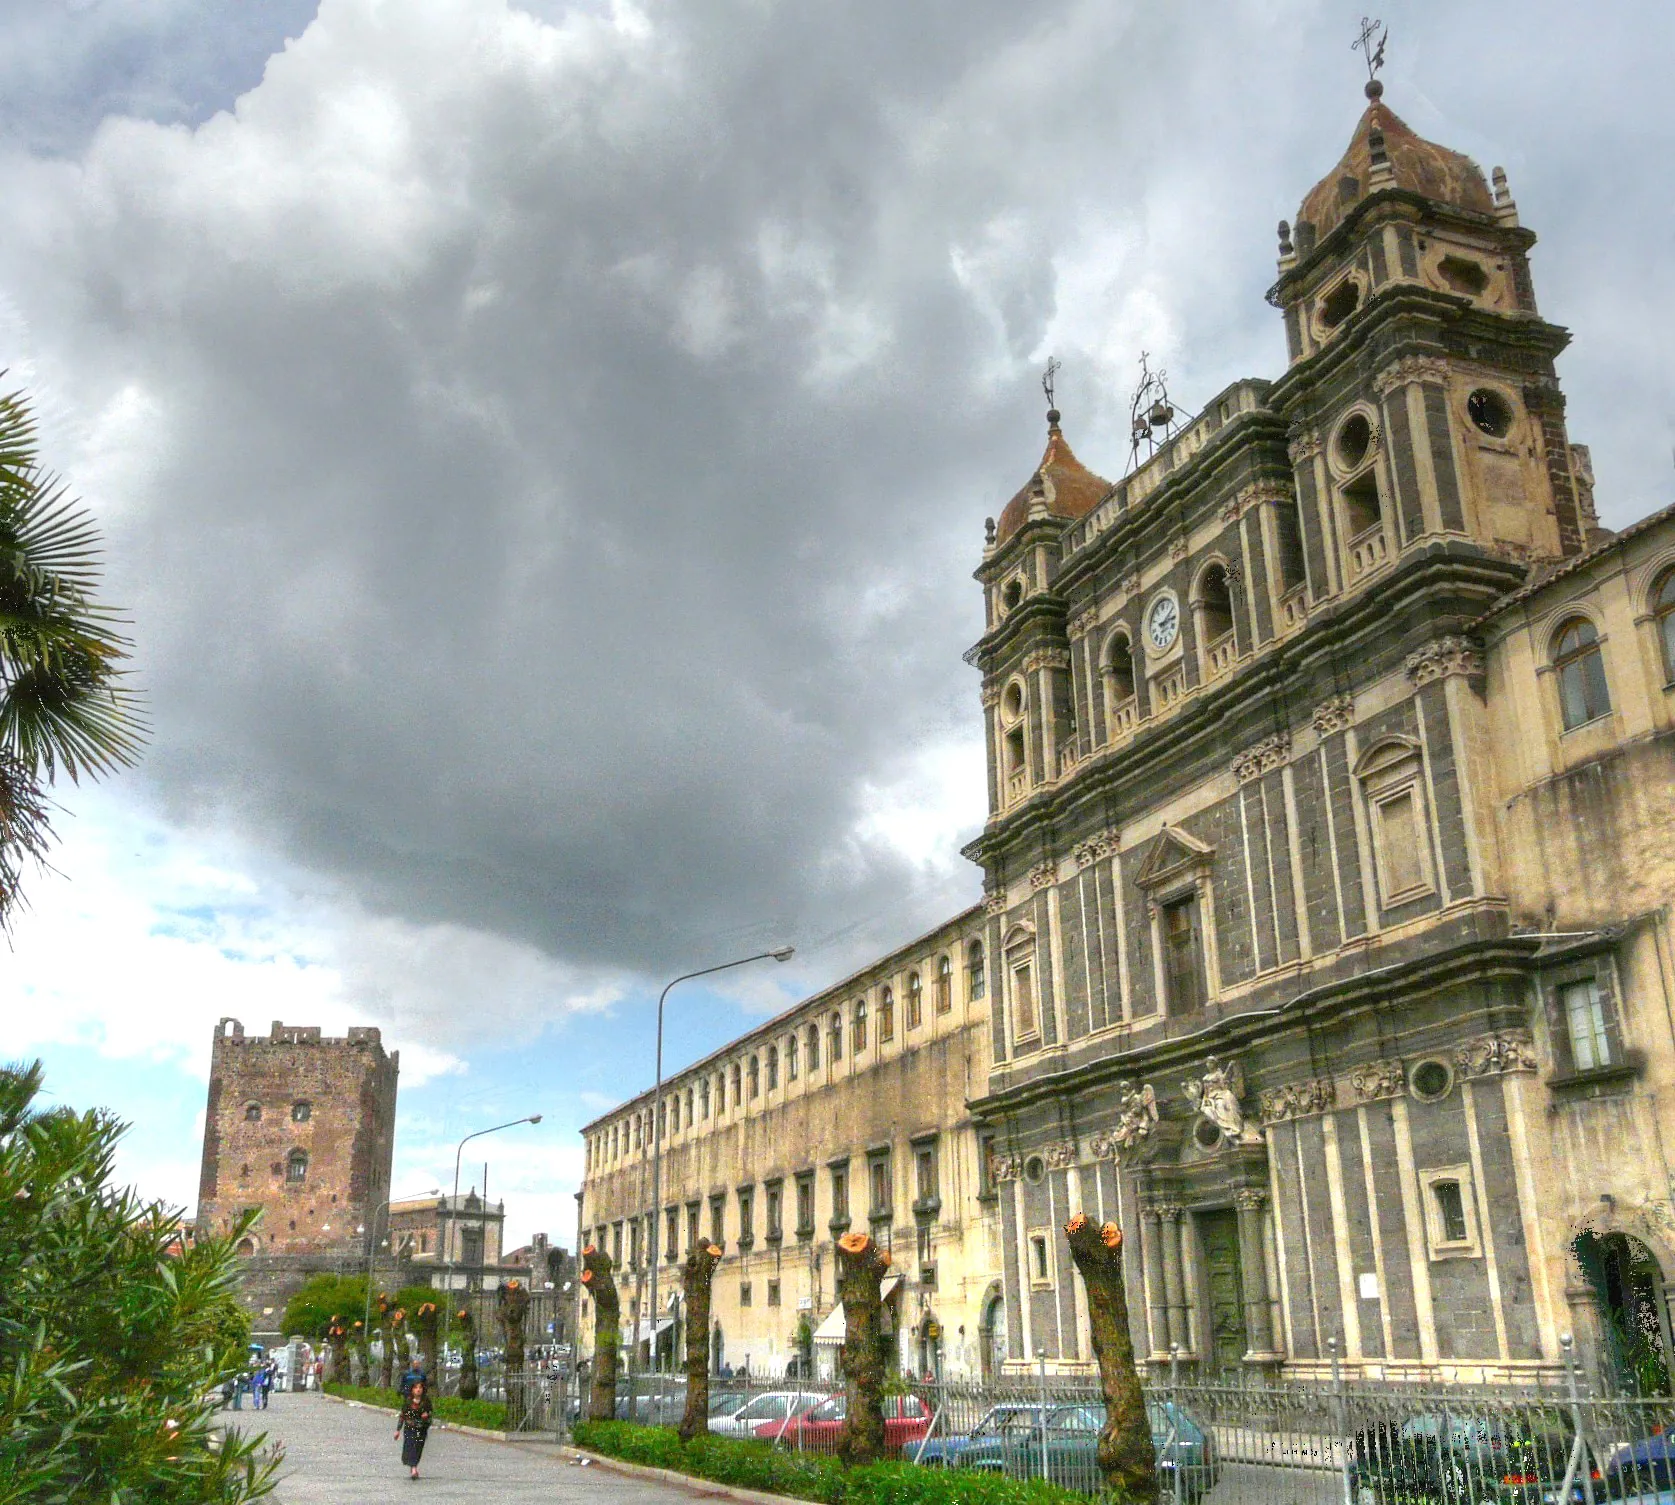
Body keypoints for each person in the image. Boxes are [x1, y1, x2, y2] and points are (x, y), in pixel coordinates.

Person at [395, 1379, 433, 1481]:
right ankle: (413, 1468)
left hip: (421, 1429)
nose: (418, 1390)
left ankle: (414, 1466)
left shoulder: (426, 1401)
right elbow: (403, 1415)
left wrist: (427, 1415)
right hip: (410, 1428)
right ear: (412, 1390)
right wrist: (398, 1430)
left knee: (417, 1448)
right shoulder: (408, 1401)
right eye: (416, 1388)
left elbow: (430, 1413)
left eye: (420, 1387)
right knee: (410, 1447)